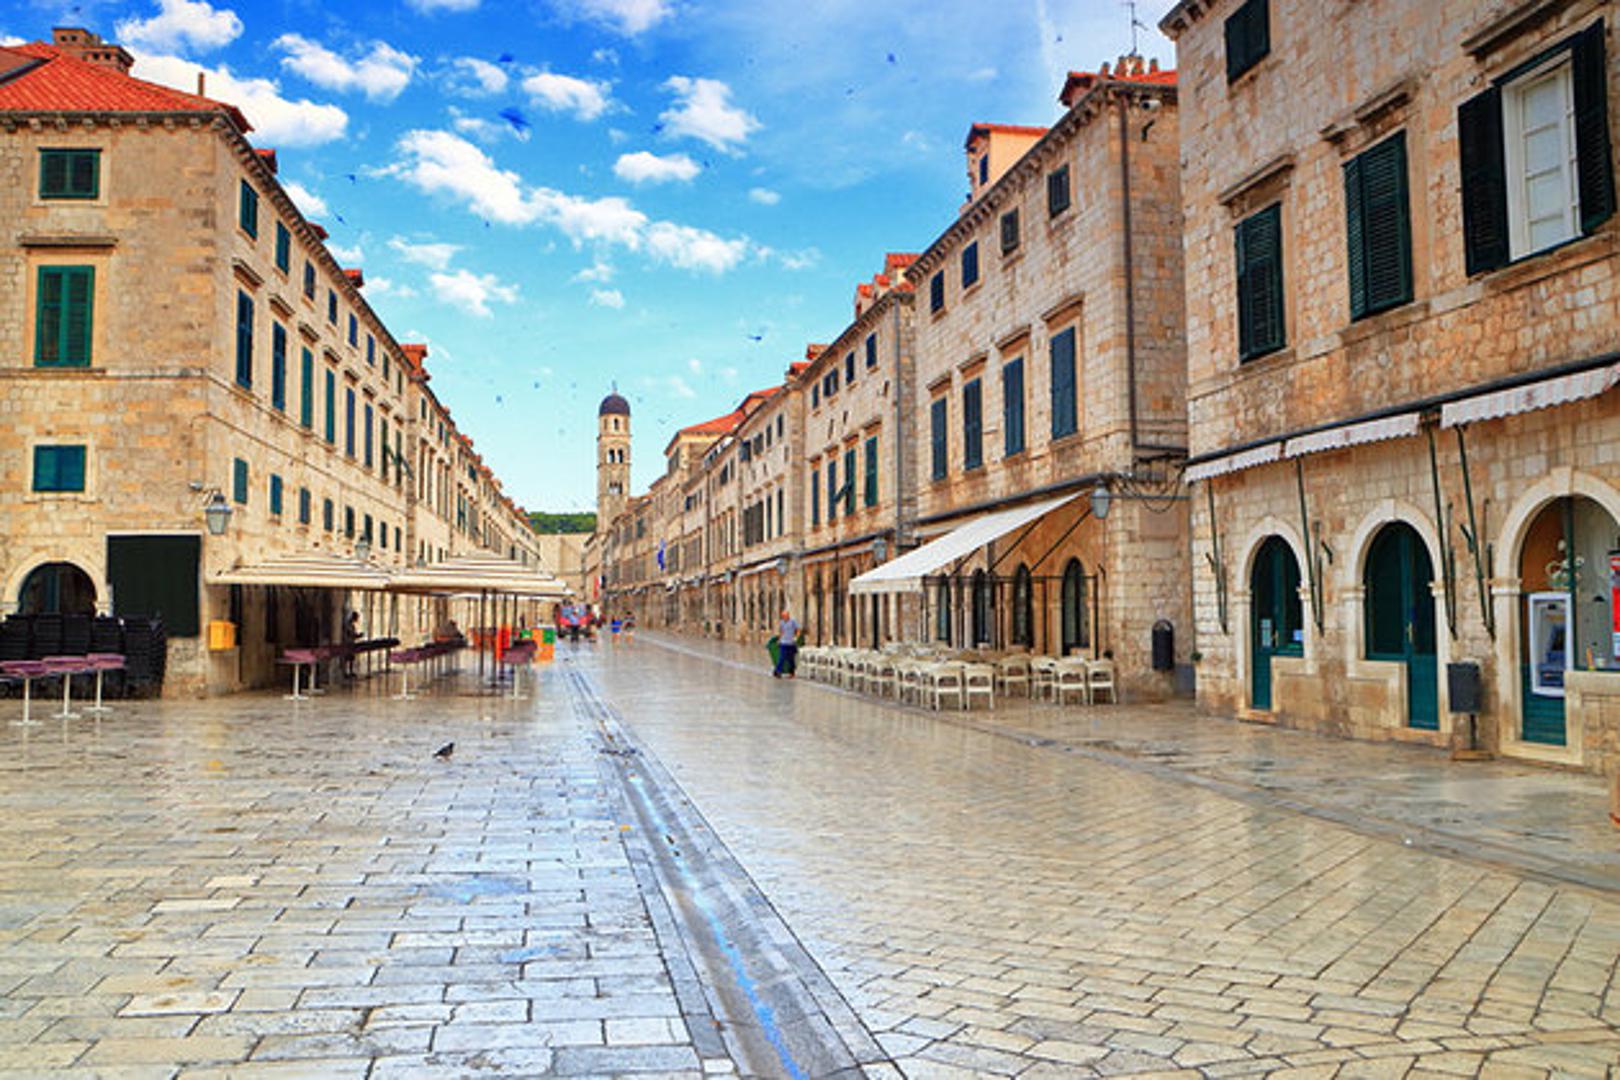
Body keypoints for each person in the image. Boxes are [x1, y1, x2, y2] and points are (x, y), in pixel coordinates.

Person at [774, 609, 798, 678]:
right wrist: (779, 640)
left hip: (791, 643)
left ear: (788, 616)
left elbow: (798, 629)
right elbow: (782, 631)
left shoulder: (793, 621)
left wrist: (796, 637)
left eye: (785, 616)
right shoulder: (782, 622)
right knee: (782, 657)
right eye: (783, 616)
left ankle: (792, 672)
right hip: (783, 643)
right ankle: (778, 671)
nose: (784, 617)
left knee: (791, 659)